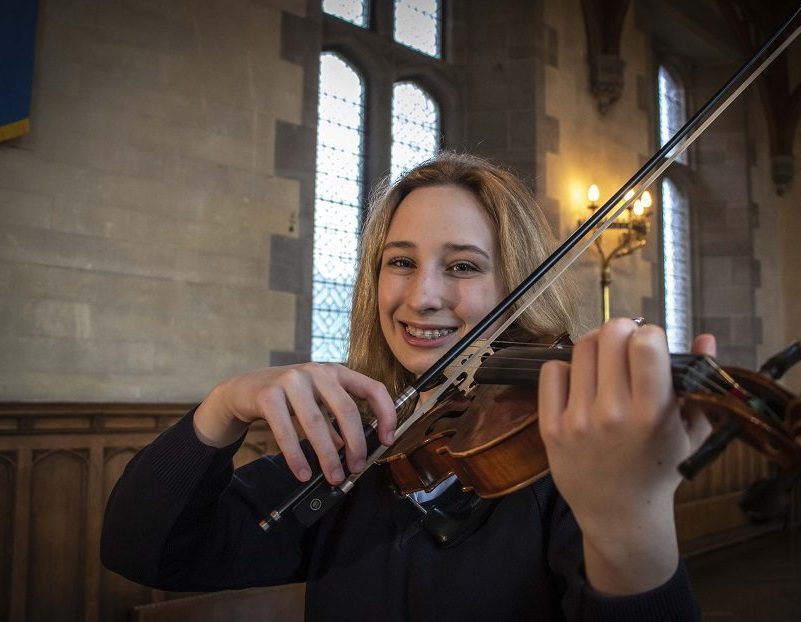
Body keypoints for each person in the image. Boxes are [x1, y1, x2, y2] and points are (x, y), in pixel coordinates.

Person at [101, 153, 715, 621]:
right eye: (401, 262)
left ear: (517, 284)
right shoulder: (357, 441)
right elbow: (145, 552)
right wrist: (222, 408)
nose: (422, 297)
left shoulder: (564, 449)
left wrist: (630, 524)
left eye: (464, 266)